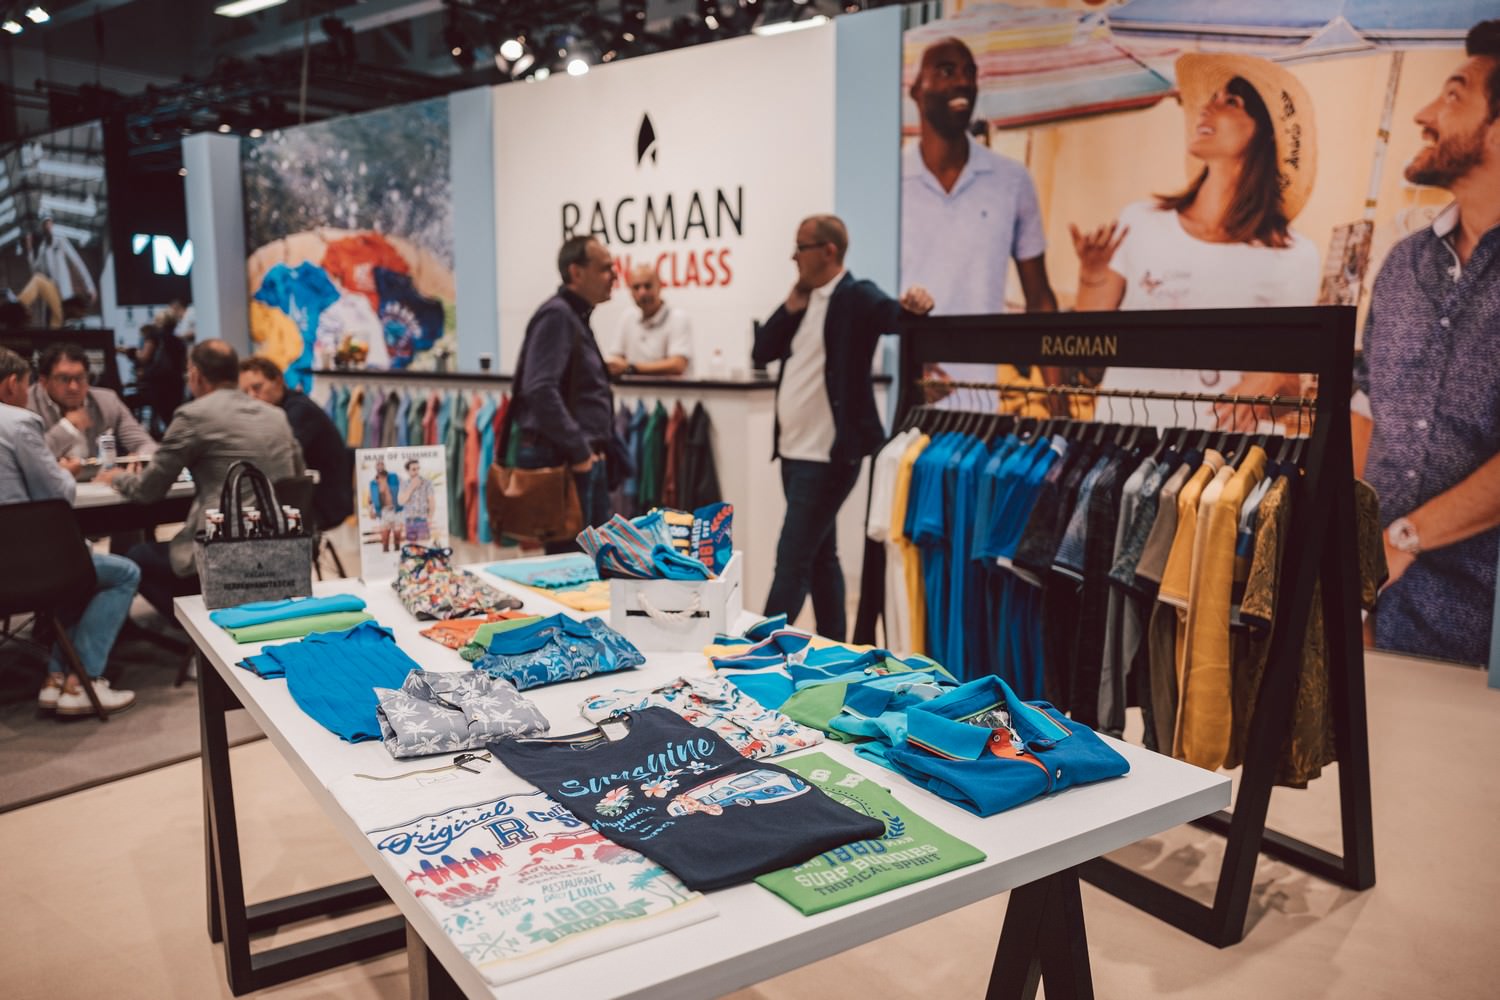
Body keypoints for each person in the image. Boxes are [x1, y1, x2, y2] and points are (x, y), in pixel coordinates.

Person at [1355, 19, 1500, 667]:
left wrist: (1405, 539)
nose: (1423, 114)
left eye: (1453, 95)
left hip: (1481, 637)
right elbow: (1365, 404)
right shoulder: (1403, 264)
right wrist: (1356, 561)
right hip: (1378, 618)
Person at [1070, 53, 1321, 420]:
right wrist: (1091, 275)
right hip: (1123, 436)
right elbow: (1086, 348)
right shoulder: (1140, 222)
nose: (1206, 108)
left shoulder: (1294, 255)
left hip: (1220, 451)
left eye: (1231, 102)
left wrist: (1271, 379)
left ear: (1265, 132)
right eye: (1211, 98)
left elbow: (1291, 386)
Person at [754, 215, 934, 641]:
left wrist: (918, 303)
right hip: (794, 452)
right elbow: (762, 351)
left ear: (828, 251)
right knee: (821, 557)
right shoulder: (804, 300)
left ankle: (754, 651)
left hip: (828, 456)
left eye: (801, 247)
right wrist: (791, 303)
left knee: (792, 559)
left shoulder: (856, 295)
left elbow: (898, 317)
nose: (794, 257)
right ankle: (833, 644)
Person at [97, 340, 305, 622]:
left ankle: (197, 624)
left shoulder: (194, 415)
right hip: (278, 548)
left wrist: (117, 477)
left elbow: (148, 490)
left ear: (195, 374)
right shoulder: (276, 415)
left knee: (135, 556)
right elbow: (298, 478)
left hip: (223, 551)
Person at [0, 347, 138, 715]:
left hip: (17, 561)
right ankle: (84, 680)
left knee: (80, 567)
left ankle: (56, 678)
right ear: (14, 384)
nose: (75, 386)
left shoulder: (105, 401)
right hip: (25, 563)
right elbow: (58, 493)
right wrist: (65, 471)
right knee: (121, 572)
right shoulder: (19, 420)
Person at [902, 36, 1057, 316]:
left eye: (969, 72)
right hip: (903, 345)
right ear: (917, 91)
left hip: (981, 346)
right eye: (946, 71)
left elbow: (1039, 297)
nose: (963, 82)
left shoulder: (1012, 180)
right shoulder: (891, 181)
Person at [511, 235, 617, 552]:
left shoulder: (574, 316)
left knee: (591, 562)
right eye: (604, 268)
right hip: (567, 465)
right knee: (574, 566)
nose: (613, 276)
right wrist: (580, 450)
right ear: (576, 272)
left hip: (578, 462)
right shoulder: (557, 316)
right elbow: (539, 389)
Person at [238, 355, 354, 531]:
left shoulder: (300, 410)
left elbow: (278, 457)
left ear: (278, 381)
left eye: (257, 387)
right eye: (245, 392)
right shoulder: (284, 409)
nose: (252, 397)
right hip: (306, 497)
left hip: (322, 503)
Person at [27, 343, 157, 471]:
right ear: (44, 382)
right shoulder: (27, 404)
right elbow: (29, 457)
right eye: (64, 379)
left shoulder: (107, 401)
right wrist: (67, 427)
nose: (74, 387)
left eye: (80, 378)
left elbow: (145, 444)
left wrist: (140, 459)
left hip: (100, 481)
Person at [605, 264, 692, 377]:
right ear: (630, 291)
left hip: (668, 388)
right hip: (632, 388)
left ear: (660, 286)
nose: (642, 293)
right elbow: (615, 360)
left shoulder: (678, 318)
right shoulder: (627, 317)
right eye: (636, 287)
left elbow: (677, 365)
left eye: (647, 286)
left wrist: (630, 368)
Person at [26, 211, 97, 314]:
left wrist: (90, 287)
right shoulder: (42, 249)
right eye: (45, 224)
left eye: (49, 223)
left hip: (65, 295)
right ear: (42, 228)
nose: (47, 227)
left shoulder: (61, 241)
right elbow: (35, 271)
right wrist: (30, 250)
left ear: (52, 224)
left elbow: (77, 263)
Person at [127, 323, 188, 436]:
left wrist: (131, 352)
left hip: (158, 385)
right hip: (176, 383)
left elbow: (144, 357)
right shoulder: (178, 341)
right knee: (172, 418)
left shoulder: (153, 337)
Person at [369, 458, 403, 551]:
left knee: (397, 539)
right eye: (378, 464)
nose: (380, 466)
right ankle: (385, 555)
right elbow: (370, 498)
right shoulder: (373, 483)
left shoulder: (394, 477)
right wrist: (371, 510)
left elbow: (404, 486)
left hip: (396, 511)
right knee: (385, 540)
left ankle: (397, 554)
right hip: (384, 512)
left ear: (384, 465)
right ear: (375, 467)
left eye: (381, 464)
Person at [398, 458, 433, 543]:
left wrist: (430, 517)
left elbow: (431, 501)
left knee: (423, 546)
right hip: (410, 520)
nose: (417, 471)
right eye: (414, 469)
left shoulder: (427, 483)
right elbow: (401, 501)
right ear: (408, 471)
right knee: (412, 547)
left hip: (422, 519)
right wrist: (411, 487)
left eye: (418, 468)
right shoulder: (404, 484)